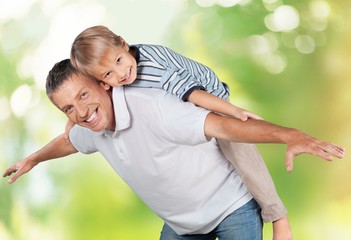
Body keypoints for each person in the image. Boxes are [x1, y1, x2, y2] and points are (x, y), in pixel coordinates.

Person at [3, 59, 344, 240]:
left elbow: (226, 125)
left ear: (103, 83)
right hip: (182, 228)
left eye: (83, 96)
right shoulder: (90, 127)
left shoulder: (154, 107)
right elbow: (68, 141)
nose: (80, 112)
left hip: (232, 210)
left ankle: (279, 217)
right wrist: (33, 158)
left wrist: (290, 135)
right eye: (67, 108)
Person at [69, 25, 290, 239]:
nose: (121, 74)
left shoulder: (154, 68)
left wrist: (234, 111)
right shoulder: (124, 74)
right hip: (181, 105)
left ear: (124, 44)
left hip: (206, 96)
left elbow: (191, 94)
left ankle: (279, 217)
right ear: (101, 82)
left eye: (119, 61)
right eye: (108, 74)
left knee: (242, 154)